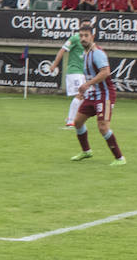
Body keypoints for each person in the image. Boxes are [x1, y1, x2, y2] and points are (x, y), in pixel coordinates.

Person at [69, 25, 125, 165]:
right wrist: (85, 89)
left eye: (86, 35)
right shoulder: (86, 53)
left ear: (92, 36)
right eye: (81, 35)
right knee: (78, 122)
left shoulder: (97, 52)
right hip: (93, 94)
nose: (83, 38)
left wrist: (87, 84)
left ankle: (119, 158)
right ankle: (86, 151)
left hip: (105, 94)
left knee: (103, 127)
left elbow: (105, 72)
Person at [53, 23, 90, 128]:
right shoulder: (74, 38)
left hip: (82, 72)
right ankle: (70, 120)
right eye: (84, 26)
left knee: (85, 96)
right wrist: (54, 65)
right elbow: (62, 50)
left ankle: (73, 117)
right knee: (80, 95)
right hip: (74, 71)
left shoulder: (88, 42)